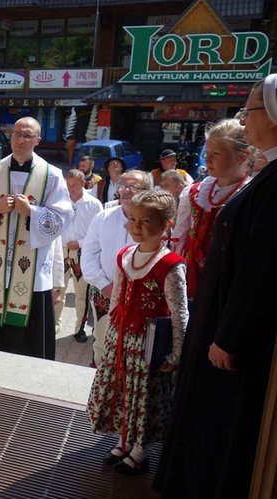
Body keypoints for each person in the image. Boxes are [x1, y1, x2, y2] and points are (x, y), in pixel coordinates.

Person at [155, 74, 277, 498]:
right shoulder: (207, 191)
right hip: (208, 300)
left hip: (228, 318)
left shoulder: (267, 183)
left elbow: (261, 267)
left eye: (251, 110)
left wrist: (229, 334)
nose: (245, 116)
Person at [87, 190, 188, 475]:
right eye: (132, 219)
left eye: (146, 221)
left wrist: (177, 352)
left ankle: (141, 450)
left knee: (144, 394)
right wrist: (111, 333)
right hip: (123, 338)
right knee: (124, 391)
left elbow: (179, 313)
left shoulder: (170, 265)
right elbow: (118, 297)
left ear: (166, 224)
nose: (136, 227)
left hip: (150, 343)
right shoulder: (125, 255)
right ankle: (124, 440)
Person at [0, 116, 72, 359]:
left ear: (37, 140)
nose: (20, 140)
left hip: (32, 266)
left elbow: (63, 216)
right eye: (16, 134)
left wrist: (31, 212)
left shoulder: (52, 175)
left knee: (30, 333)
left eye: (27, 136)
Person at [170, 118, 251, 299]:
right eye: (207, 152)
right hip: (189, 278)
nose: (207, 159)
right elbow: (179, 237)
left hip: (225, 282)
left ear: (242, 156)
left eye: (216, 153)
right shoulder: (194, 192)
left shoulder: (250, 196)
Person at [81, 170, 153, 367]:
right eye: (124, 186)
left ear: (147, 191)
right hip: (105, 293)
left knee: (133, 350)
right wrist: (104, 285)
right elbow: (88, 255)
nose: (127, 191)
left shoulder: (154, 222)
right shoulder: (103, 217)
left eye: (134, 187)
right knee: (103, 345)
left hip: (139, 296)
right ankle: (100, 391)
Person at [55, 170, 103, 342]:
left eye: (74, 184)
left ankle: (79, 328)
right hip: (60, 250)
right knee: (57, 288)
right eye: (68, 184)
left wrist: (81, 243)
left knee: (82, 293)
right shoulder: (60, 200)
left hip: (83, 253)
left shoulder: (94, 204)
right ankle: (55, 323)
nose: (70, 188)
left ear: (84, 183)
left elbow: (97, 232)